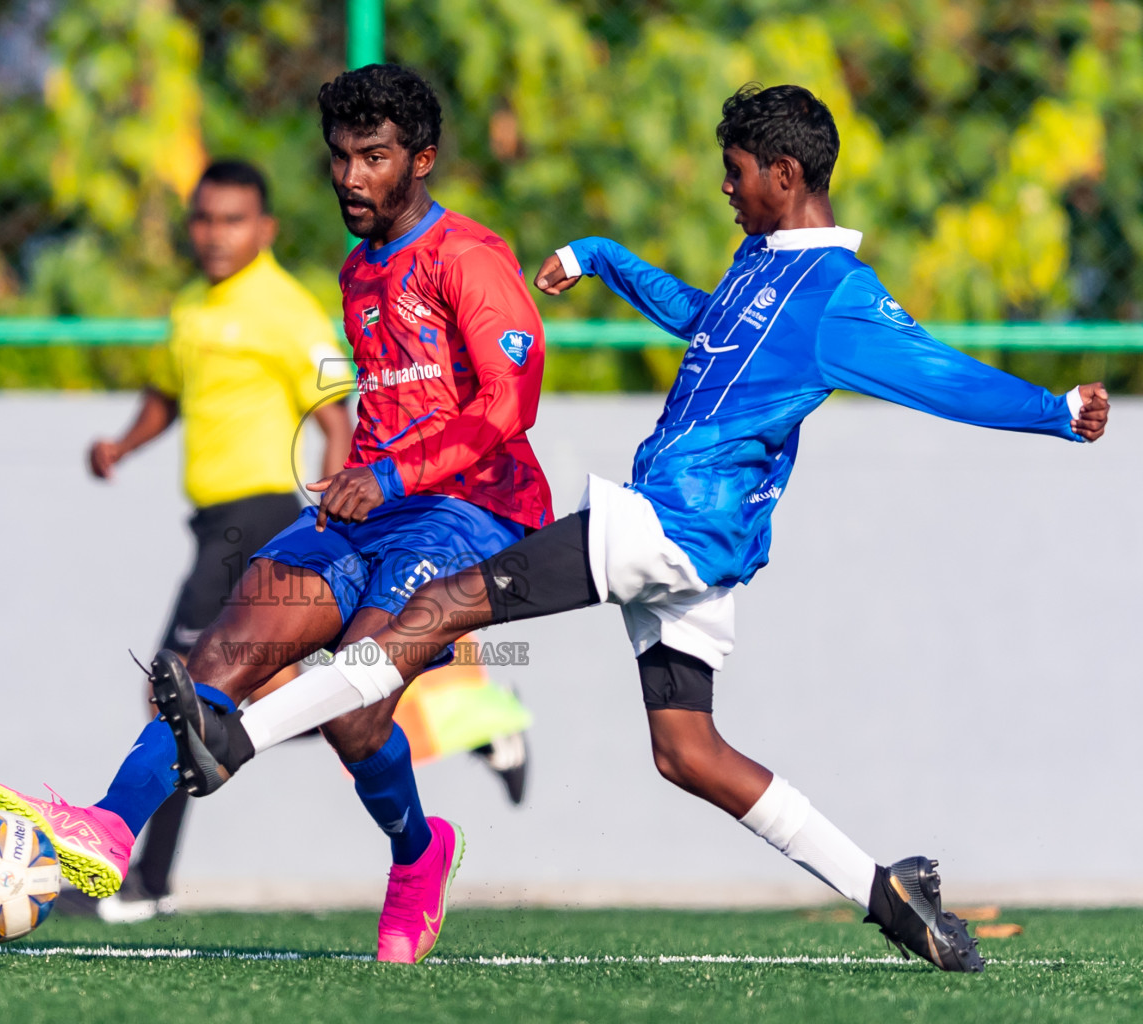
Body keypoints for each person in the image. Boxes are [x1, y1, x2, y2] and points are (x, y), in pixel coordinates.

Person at [159, 83, 1112, 974]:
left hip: (670, 523)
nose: (725, 188)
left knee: (441, 604)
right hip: (699, 553)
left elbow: (939, 375)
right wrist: (606, 259)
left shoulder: (838, 295)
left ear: (786, 176)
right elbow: (705, 326)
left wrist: (1055, 410)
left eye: (736, 171)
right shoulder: (763, 265)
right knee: (686, 753)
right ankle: (888, 892)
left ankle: (234, 738)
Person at [0, 64, 554, 963]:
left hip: (468, 515)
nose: (352, 177)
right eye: (340, 158)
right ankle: (109, 827)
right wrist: (361, 482)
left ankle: (419, 851)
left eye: (375, 157)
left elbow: (509, 405)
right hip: (365, 513)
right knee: (210, 661)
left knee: (354, 715)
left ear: (423, 160)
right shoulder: (358, 272)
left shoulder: (471, 258)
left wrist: (393, 477)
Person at [79, 158, 353, 922]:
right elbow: (167, 392)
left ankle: (140, 881)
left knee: (178, 694)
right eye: (203, 218)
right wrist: (122, 445)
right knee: (207, 698)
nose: (215, 233)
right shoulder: (191, 307)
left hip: (259, 517)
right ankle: (421, 721)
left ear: (264, 229)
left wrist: (331, 517)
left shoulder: (288, 308)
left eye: (232, 219)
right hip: (212, 524)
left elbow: (337, 418)